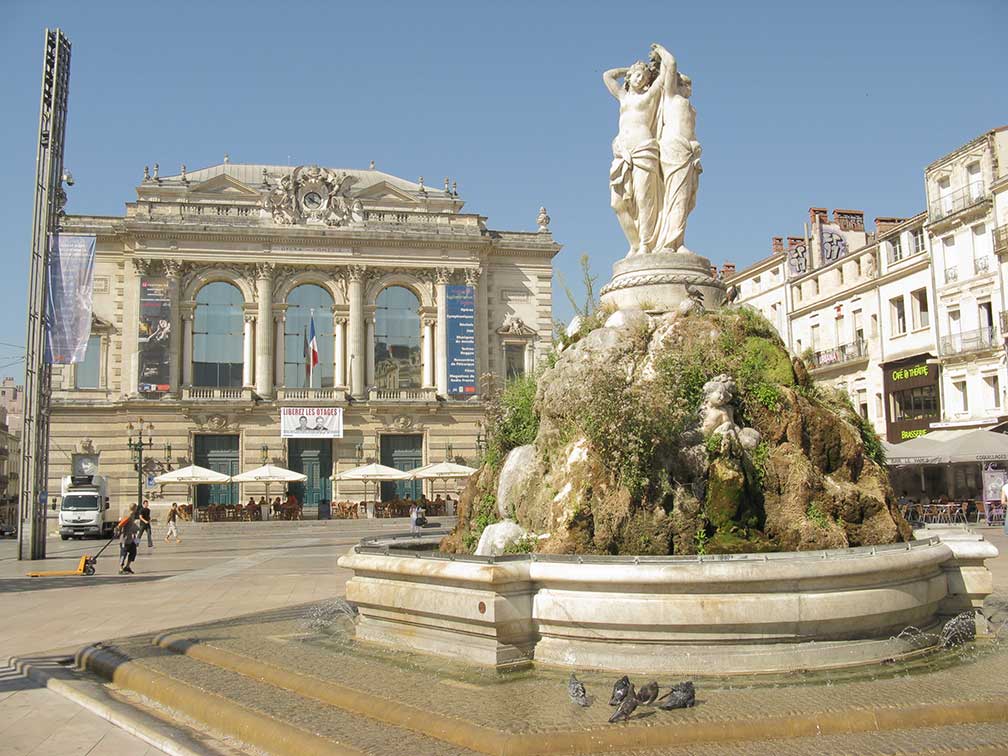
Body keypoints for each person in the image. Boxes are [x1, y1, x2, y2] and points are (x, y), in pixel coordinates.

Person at [116, 504, 139, 574]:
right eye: (136, 508)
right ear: (134, 508)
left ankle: (127, 567)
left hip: (130, 539)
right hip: (124, 539)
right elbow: (120, 525)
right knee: (123, 554)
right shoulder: (128, 516)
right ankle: (121, 568)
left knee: (133, 552)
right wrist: (118, 530)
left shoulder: (132, 516)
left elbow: (132, 526)